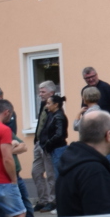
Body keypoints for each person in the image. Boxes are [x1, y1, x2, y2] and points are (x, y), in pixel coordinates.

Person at [35, 91, 68, 211]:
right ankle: (53, 202)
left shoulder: (59, 116)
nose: (47, 105)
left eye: (49, 103)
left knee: (55, 176)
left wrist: (48, 143)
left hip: (56, 149)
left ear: (56, 105)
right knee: (48, 174)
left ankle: (57, 203)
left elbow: (59, 134)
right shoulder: (51, 114)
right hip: (50, 148)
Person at [31, 80, 60, 210]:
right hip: (39, 143)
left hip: (47, 145)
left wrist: (48, 142)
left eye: (43, 92)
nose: (40, 94)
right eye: (40, 91)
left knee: (50, 174)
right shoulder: (43, 105)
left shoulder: (55, 108)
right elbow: (40, 124)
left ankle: (53, 201)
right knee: (36, 172)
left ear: (51, 93)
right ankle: (43, 200)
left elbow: (55, 129)